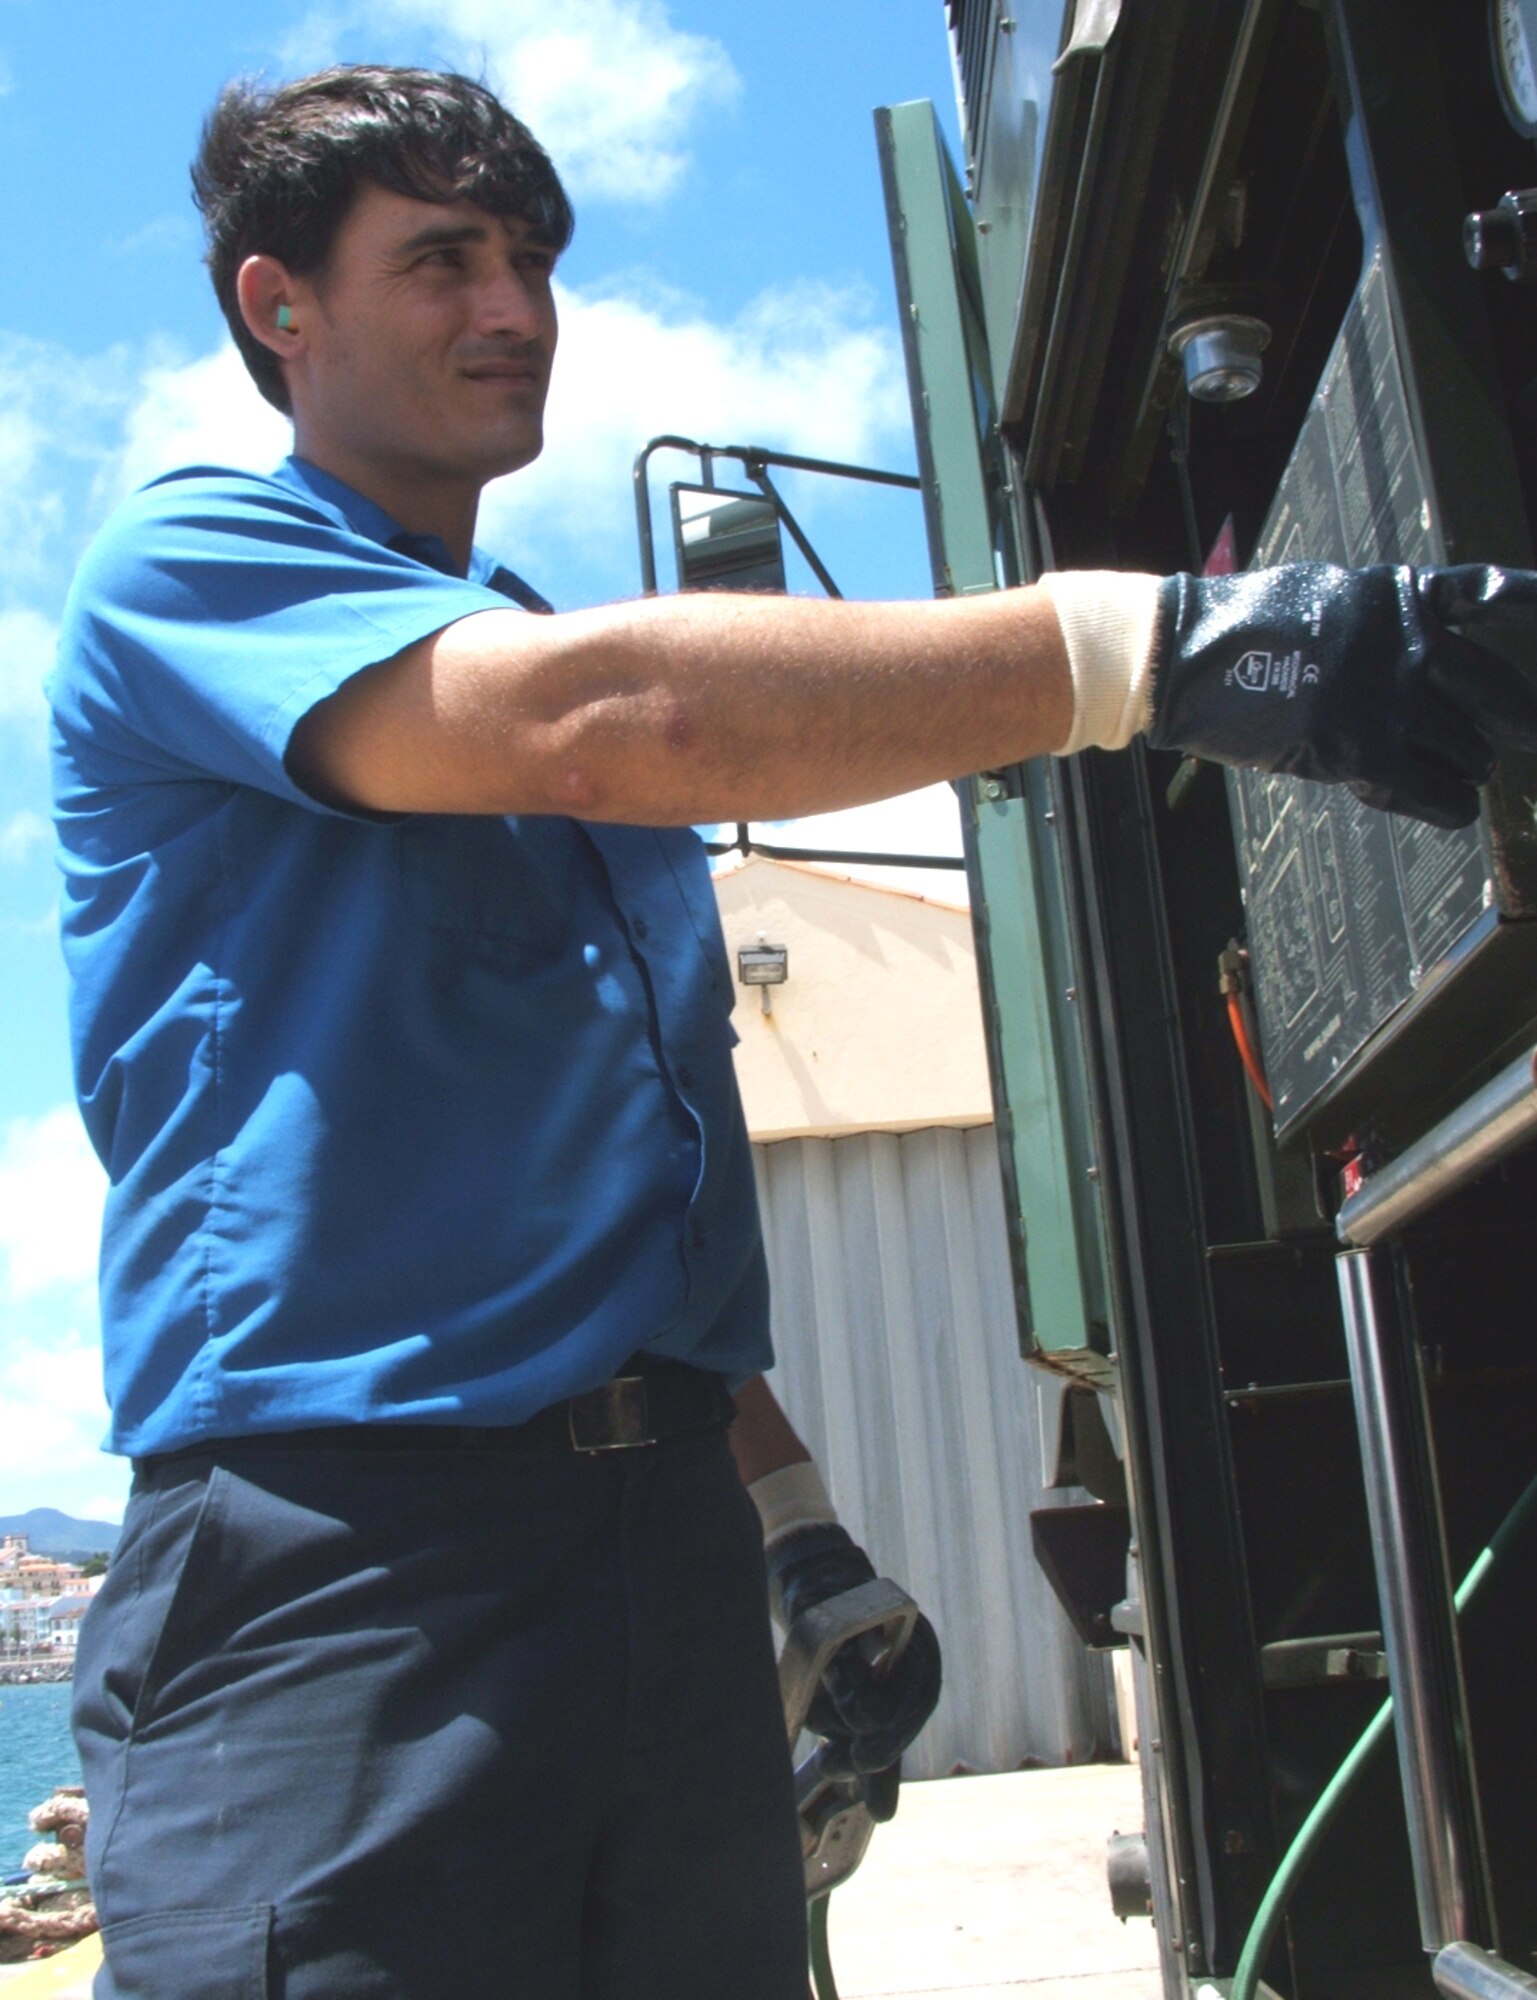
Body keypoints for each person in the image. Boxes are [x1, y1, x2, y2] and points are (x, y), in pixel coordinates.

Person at [49, 63, 1537, 2000]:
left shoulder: (514, 646)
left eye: (530, 259)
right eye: (438, 261)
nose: (513, 310)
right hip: (343, 1557)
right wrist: (1167, 648)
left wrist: (795, 1526)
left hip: (656, 1544)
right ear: (280, 307)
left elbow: (614, 1204)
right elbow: (623, 723)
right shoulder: (202, 576)